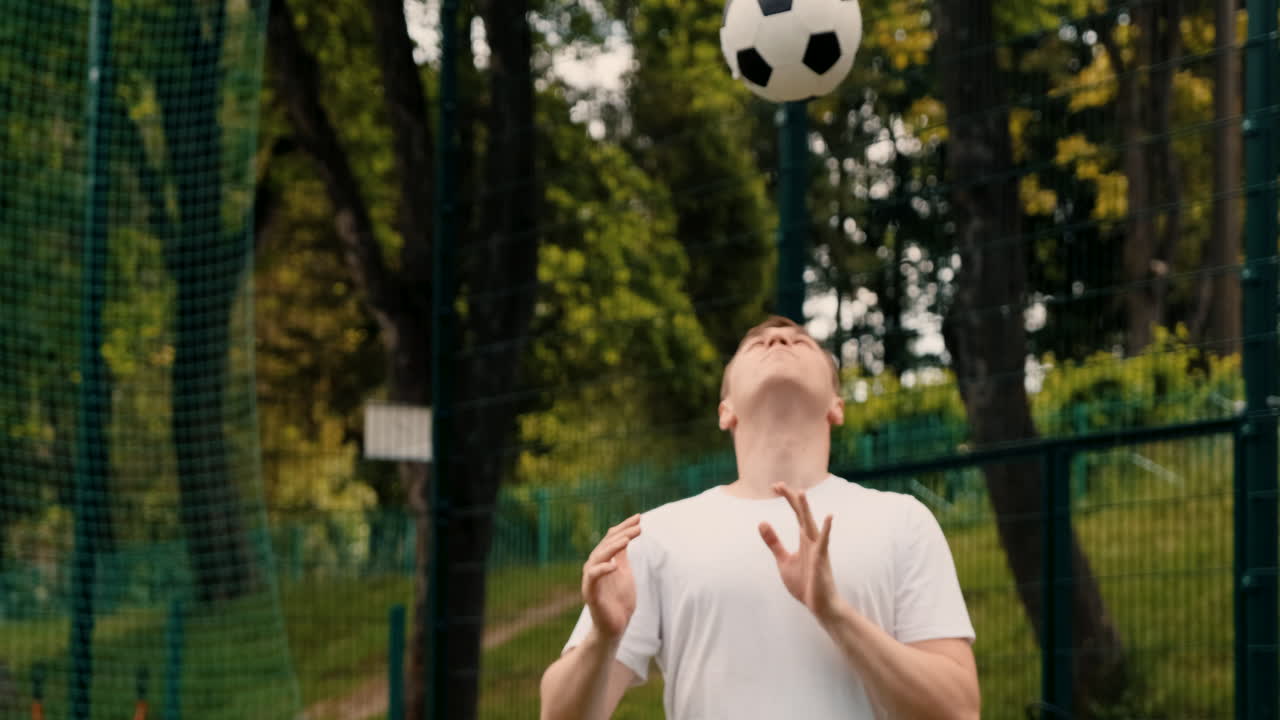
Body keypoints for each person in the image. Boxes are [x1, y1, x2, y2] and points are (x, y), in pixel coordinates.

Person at [539, 316, 979, 720]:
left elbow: (959, 711)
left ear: (836, 405)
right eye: (757, 343)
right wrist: (602, 638)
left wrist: (835, 613)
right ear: (725, 410)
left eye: (800, 340)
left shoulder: (902, 521)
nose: (779, 338)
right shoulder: (654, 535)